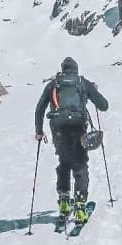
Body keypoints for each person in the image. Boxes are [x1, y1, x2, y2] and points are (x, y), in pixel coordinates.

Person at [34, 56, 108, 226]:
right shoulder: (82, 82)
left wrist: (39, 131)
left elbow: (39, 108)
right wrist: (92, 92)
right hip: (77, 127)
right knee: (80, 165)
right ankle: (80, 206)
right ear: (76, 70)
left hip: (58, 129)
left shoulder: (54, 84)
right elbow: (104, 105)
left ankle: (64, 202)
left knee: (64, 162)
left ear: (62, 69)